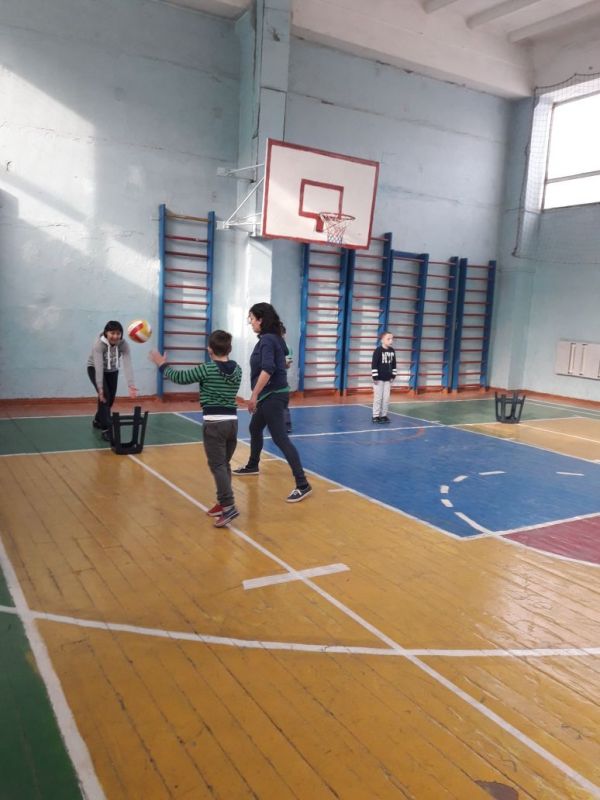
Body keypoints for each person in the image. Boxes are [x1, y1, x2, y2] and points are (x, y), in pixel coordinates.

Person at [149, 330, 242, 528]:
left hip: (214, 424)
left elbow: (179, 377)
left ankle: (228, 507)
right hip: (232, 422)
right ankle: (222, 501)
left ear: (209, 350)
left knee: (218, 465)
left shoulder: (206, 369)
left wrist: (161, 364)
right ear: (230, 349)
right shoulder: (238, 370)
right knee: (223, 464)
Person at [233, 303, 312, 503]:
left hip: (273, 396)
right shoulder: (273, 338)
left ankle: (302, 484)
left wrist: (253, 396)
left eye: (252, 318)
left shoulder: (268, 340)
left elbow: (267, 369)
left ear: (261, 319)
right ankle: (253, 465)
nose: (250, 322)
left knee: (280, 439)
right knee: (255, 428)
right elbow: (281, 359)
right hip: (270, 395)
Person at [87, 320, 137, 441]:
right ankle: (106, 430)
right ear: (106, 333)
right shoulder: (99, 345)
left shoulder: (123, 344)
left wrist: (131, 384)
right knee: (105, 395)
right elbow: (99, 367)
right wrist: (100, 388)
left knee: (110, 400)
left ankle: (98, 420)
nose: (115, 336)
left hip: (112, 370)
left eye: (118, 333)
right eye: (112, 333)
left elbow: (127, 364)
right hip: (95, 368)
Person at [371, 331, 396, 423]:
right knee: (378, 398)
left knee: (386, 398)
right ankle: (375, 416)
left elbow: (394, 364)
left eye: (392, 339)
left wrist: (393, 375)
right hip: (379, 379)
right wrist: (375, 377)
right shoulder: (378, 351)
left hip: (388, 379)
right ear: (382, 340)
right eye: (388, 339)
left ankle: (384, 415)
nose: (391, 341)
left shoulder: (392, 351)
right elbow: (374, 364)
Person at [281, 324, 293, 433]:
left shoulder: (287, 347)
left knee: (283, 403)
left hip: (281, 379)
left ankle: (287, 425)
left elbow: (288, 365)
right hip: (271, 379)